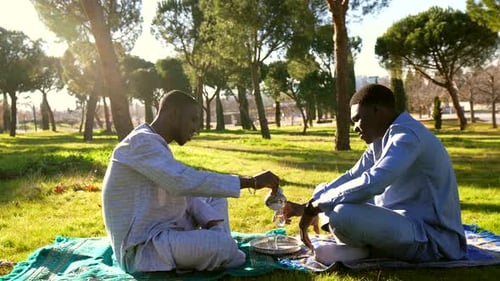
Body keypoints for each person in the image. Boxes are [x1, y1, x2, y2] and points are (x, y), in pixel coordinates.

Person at [284, 84, 467, 264]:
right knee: (324, 190)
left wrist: (317, 206)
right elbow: (353, 176)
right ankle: (362, 248)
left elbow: (375, 182)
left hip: (431, 237)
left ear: (377, 111)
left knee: (342, 213)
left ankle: (362, 250)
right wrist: (309, 205)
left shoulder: (407, 136)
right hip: (401, 223)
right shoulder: (382, 139)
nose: (355, 127)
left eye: (357, 119)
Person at [102, 90, 280, 273]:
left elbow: (185, 186)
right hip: (143, 248)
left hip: (163, 228)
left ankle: (219, 241)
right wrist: (251, 182)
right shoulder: (141, 143)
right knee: (223, 246)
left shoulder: (152, 142)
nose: (196, 128)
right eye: (193, 119)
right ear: (174, 114)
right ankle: (222, 245)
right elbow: (182, 182)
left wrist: (210, 221)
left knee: (215, 197)